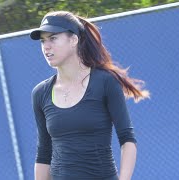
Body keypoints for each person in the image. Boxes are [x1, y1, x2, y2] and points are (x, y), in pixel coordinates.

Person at [30, 11, 149, 180]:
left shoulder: (105, 82)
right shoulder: (40, 93)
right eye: (43, 41)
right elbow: (43, 153)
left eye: (53, 38)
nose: (46, 46)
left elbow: (127, 139)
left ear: (73, 40)